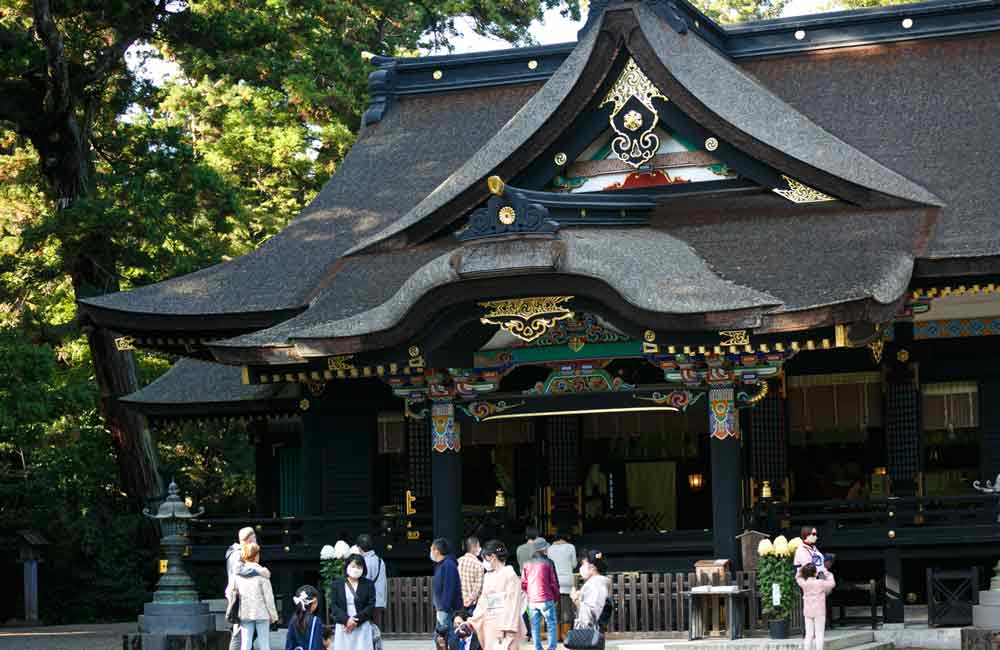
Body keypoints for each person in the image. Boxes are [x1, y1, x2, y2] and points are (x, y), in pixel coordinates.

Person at [467, 540, 527, 650]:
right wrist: (471, 622)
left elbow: (513, 604)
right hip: (489, 625)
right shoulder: (488, 577)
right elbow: (483, 603)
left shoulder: (510, 574)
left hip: (504, 627)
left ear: (493, 557)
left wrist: (509, 629)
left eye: (485, 558)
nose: (484, 562)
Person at [227, 527, 268, 650]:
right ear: (248, 539)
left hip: (245, 597)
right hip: (240, 597)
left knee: (246, 636)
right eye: (254, 538)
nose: (255, 541)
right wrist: (259, 571)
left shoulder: (239, 552)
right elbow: (238, 569)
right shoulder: (237, 553)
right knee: (240, 634)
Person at [233, 543, 278, 650]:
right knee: (264, 645)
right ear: (256, 555)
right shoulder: (263, 573)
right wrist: (274, 616)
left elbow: (234, 592)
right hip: (261, 612)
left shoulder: (239, 574)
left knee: (245, 644)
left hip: (245, 612)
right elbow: (268, 598)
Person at [330, 554, 375, 650]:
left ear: (363, 569)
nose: (356, 569)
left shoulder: (368, 584)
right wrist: (346, 620)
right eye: (353, 566)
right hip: (343, 625)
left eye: (359, 567)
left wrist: (354, 621)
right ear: (347, 567)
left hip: (361, 624)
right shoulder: (336, 584)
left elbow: (371, 606)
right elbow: (334, 605)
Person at [521, 538, 560, 650]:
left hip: (532, 600)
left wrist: (528, 594)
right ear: (543, 549)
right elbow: (553, 583)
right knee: (551, 624)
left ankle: (538, 648)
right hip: (547, 598)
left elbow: (524, 583)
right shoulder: (549, 562)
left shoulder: (526, 563)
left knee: (535, 626)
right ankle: (551, 648)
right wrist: (556, 597)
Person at [546, 529, 577, 639]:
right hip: (567, 581)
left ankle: (557, 636)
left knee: (555, 610)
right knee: (567, 609)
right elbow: (574, 564)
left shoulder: (549, 549)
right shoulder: (571, 547)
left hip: (554, 581)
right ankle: (566, 635)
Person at [796, 563, 836, 650]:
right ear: (815, 573)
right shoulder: (820, 583)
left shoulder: (804, 583)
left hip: (808, 611)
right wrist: (826, 572)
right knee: (819, 634)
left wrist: (802, 569)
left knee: (808, 635)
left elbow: (797, 577)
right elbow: (832, 583)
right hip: (819, 611)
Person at [571, 550, 611, 630]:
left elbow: (590, 614)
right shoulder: (597, 582)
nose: (581, 568)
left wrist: (575, 599)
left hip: (590, 633)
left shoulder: (596, 583)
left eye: (583, 564)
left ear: (593, 567)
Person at [431, 538, 463, 631]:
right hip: (443, 609)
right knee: (441, 640)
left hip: (447, 610)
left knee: (445, 639)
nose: (431, 553)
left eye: (431, 549)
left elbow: (449, 589)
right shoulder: (443, 564)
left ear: (437, 551)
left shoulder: (448, 565)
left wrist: (443, 608)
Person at [356, 534, 387, 627]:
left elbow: (363, 583)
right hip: (379, 600)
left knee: (367, 629)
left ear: (360, 548)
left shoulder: (363, 562)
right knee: (376, 628)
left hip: (368, 602)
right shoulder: (380, 560)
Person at [285, 585, 323, 650]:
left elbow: (289, 644)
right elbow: (317, 645)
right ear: (313, 602)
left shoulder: (293, 620)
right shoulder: (316, 621)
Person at [458, 536, 485, 615]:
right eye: (479, 546)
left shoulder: (458, 561)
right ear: (474, 547)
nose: (480, 548)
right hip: (472, 606)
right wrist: (469, 601)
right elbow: (478, 588)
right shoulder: (479, 565)